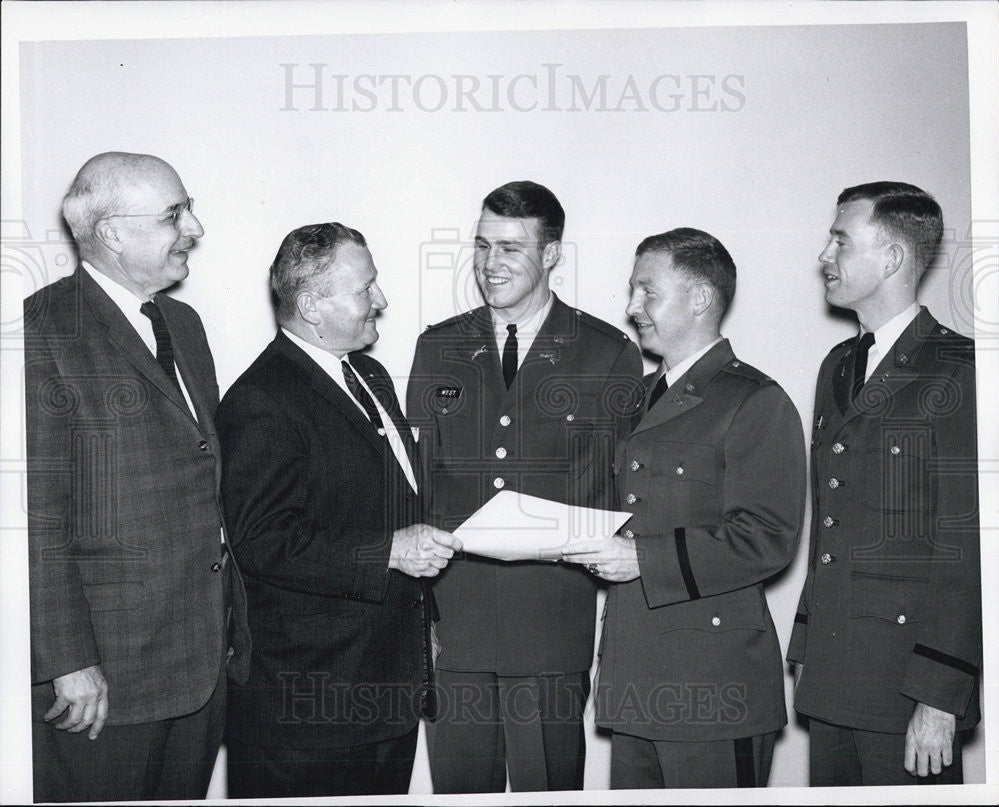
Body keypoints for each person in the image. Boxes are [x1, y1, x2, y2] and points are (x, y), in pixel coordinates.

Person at [24, 152, 249, 802]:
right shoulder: (41, 332)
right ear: (113, 232)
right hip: (105, 683)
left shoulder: (185, 325)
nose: (195, 228)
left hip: (201, 662)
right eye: (175, 214)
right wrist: (68, 662)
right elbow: (38, 517)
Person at [406, 181, 644, 793]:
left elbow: (623, 491)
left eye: (511, 248)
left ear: (552, 254)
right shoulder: (439, 347)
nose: (491, 264)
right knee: (459, 796)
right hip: (453, 627)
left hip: (550, 623)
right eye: (482, 246)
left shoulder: (606, 352)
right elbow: (417, 482)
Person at [216, 222, 460, 797]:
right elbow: (260, 541)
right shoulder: (261, 399)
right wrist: (392, 551)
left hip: (384, 694)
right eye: (364, 288)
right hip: (308, 713)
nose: (381, 300)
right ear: (311, 307)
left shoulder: (368, 374)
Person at [562, 227, 806, 788]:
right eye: (632, 291)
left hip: (714, 690)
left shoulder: (754, 400)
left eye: (648, 292)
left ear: (700, 299)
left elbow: (767, 536)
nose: (631, 308)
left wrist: (643, 559)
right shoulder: (637, 398)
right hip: (634, 678)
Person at [787, 182, 981, 785]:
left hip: (906, 682)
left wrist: (941, 694)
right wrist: (807, 644)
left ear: (893, 257)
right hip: (833, 672)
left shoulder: (960, 370)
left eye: (841, 239)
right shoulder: (838, 366)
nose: (824, 255)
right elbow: (833, 521)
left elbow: (969, 547)